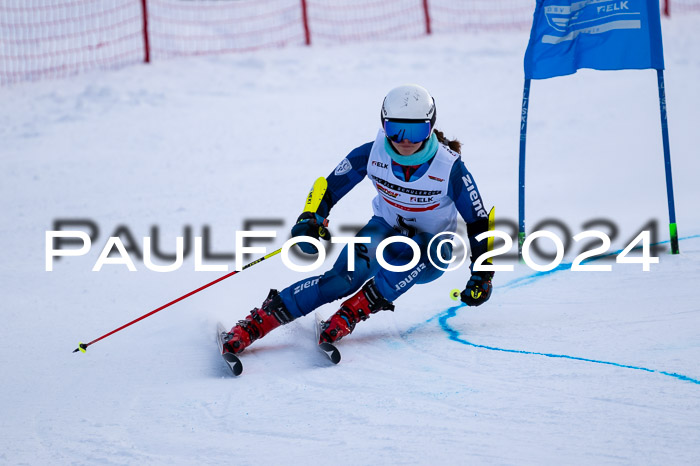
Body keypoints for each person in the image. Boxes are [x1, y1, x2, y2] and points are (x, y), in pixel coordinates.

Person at [221, 84, 493, 355]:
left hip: (432, 250)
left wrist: (483, 274)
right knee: (340, 280)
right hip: (386, 232)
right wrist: (311, 218)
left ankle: (350, 314)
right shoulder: (372, 153)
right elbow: (329, 187)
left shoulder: (449, 167)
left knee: (422, 251)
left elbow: (479, 220)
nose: (405, 140)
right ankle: (257, 323)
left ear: (430, 128)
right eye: (395, 129)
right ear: (383, 124)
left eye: (416, 130)